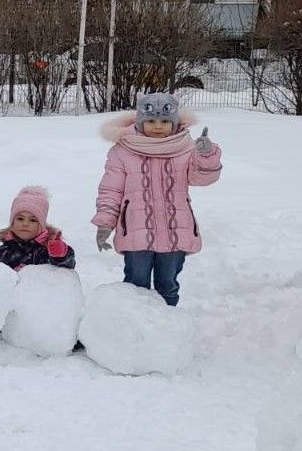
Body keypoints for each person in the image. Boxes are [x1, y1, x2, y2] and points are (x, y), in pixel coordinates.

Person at [93, 92, 222, 306]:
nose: (158, 126)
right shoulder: (123, 151)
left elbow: (201, 178)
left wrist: (206, 156)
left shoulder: (186, 148)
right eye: (151, 120)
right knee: (136, 283)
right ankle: (134, 326)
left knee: (167, 284)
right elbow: (110, 190)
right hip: (136, 229)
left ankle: (168, 328)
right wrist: (105, 223)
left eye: (164, 121)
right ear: (140, 120)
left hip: (175, 230)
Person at [0, 185, 76, 271]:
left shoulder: (48, 251)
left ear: (41, 225)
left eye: (33, 220)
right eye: (20, 218)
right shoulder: (0, 253)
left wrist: (62, 255)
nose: (25, 224)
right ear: (12, 222)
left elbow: (68, 267)